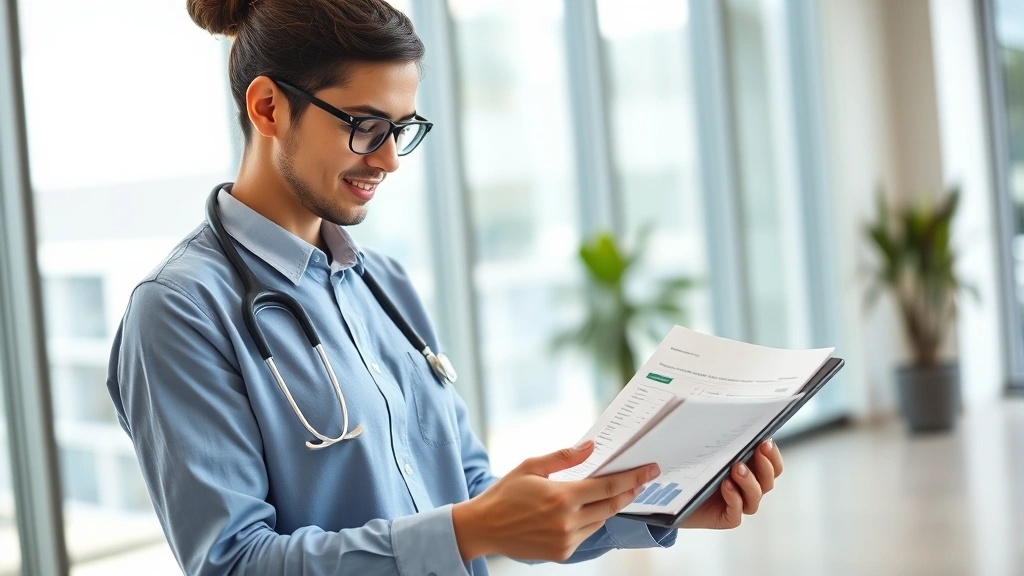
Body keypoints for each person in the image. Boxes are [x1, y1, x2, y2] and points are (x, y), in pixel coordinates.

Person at [105, 0, 785, 574]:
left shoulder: (383, 284)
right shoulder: (178, 311)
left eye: (402, 129)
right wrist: (467, 531)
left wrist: (657, 505)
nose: (391, 159)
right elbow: (234, 561)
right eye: (366, 126)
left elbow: (471, 496)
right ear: (268, 107)